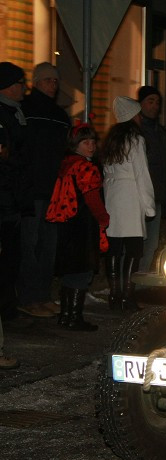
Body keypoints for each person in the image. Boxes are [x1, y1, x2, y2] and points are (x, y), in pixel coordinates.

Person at [18, 62, 70, 319]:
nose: (53, 84)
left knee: (49, 245)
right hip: (33, 188)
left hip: (54, 190)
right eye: (48, 80)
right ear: (37, 82)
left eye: (55, 80)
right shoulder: (26, 110)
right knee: (30, 243)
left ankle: (42, 295)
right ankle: (29, 297)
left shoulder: (59, 115)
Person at [47, 123, 108, 331]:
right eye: (85, 142)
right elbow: (92, 197)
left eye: (93, 141)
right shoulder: (85, 167)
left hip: (67, 223)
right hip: (82, 225)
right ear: (75, 144)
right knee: (81, 271)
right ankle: (74, 318)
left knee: (70, 272)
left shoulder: (67, 163)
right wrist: (103, 217)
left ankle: (65, 316)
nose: (91, 146)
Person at [102, 96, 155, 311]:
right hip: (131, 198)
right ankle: (127, 295)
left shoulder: (111, 139)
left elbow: (106, 173)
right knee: (133, 249)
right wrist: (149, 204)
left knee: (114, 248)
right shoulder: (135, 139)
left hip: (113, 197)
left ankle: (114, 294)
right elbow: (141, 173)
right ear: (133, 115)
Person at [0, 62, 28, 324]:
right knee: (7, 260)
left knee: (12, 259)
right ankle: (7, 312)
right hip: (5, 201)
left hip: (13, 199)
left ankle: (9, 309)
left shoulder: (17, 114)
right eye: (20, 83)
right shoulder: (4, 117)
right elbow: (7, 162)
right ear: (7, 87)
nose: (24, 88)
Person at [136, 85, 166, 273]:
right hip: (140, 196)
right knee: (137, 242)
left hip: (156, 194)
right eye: (150, 101)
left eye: (157, 102)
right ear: (140, 104)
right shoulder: (136, 131)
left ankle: (139, 283)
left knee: (151, 242)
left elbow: (165, 166)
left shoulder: (161, 132)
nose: (155, 106)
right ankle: (129, 283)